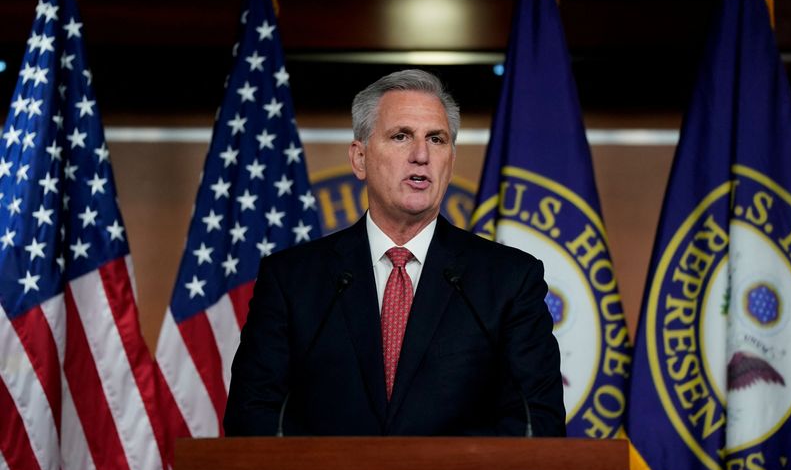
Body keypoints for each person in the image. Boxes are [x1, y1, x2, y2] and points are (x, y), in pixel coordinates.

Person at [224, 69, 565, 436]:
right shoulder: (291, 280)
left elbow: (537, 424)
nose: (421, 155)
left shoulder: (509, 280)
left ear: (450, 161)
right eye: (401, 136)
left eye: (436, 139)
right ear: (359, 158)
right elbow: (253, 417)